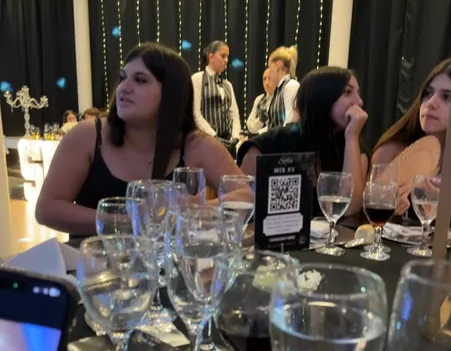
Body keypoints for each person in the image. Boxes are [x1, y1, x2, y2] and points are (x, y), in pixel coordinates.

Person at [35, 42, 244, 236]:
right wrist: (132, 222)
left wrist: (194, 211)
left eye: (140, 80)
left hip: (168, 263)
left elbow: (247, 196)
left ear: (172, 93)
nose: (123, 88)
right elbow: (47, 209)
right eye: (123, 78)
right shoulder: (87, 135)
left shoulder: (195, 145)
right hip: (93, 260)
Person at [238, 66, 369, 215]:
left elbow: (350, 209)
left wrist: (352, 136)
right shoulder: (274, 143)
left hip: (334, 230)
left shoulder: (352, 146)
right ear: (321, 97)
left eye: (358, 93)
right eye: (348, 92)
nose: (359, 102)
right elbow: (238, 203)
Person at [371, 58, 451, 214]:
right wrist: (389, 207)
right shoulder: (391, 152)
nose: (431, 103)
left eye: (446, 97)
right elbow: (367, 214)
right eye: (428, 93)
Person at [191, 40, 242, 146]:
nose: (226, 60)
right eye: (223, 56)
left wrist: (235, 137)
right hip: (205, 142)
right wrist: (214, 136)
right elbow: (196, 114)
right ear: (211, 57)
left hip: (228, 142)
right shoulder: (198, 79)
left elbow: (234, 114)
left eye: (227, 57)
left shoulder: (228, 85)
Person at [261, 45, 300, 132]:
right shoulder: (279, 90)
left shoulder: (291, 86)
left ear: (278, 65)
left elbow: (290, 123)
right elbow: (273, 124)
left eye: (271, 69)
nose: (270, 74)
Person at [246, 69, 275, 134]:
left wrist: (260, 132)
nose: (267, 83)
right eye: (264, 79)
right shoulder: (259, 99)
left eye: (270, 78)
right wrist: (260, 121)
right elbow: (249, 125)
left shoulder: (280, 98)